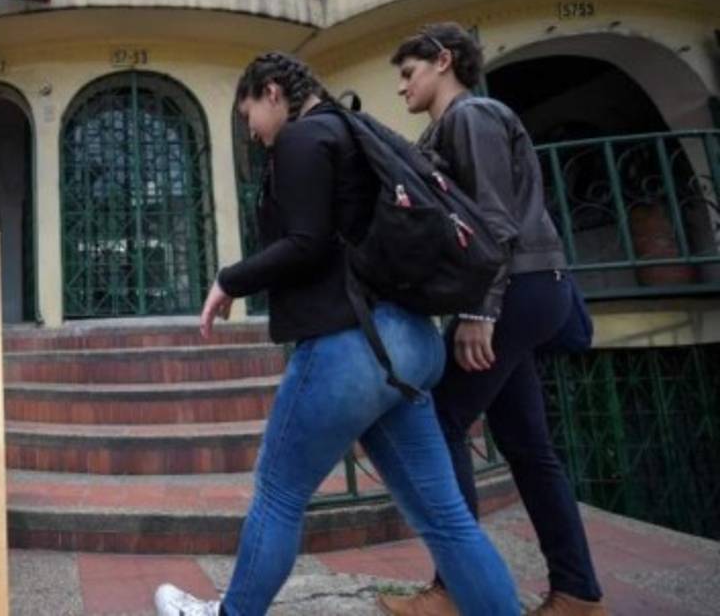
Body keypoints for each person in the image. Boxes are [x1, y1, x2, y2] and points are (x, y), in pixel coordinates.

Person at [152, 52, 520, 616]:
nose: (250, 130)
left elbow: (307, 242)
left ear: (273, 93)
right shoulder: (354, 130)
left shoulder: (302, 140)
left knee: (278, 495)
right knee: (446, 519)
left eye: (248, 113)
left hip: (350, 346)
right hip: (411, 343)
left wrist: (228, 280)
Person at [378, 23, 606, 616]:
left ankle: (456, 591)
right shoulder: (453, 126)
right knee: (529, 446)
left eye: (409, 73)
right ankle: (577, 592)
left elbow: (494, 222)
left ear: (443, 61)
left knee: (443, 419)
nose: (403, 88)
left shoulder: (472, 118)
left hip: (515, 290)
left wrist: (481, 310)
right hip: (530, 288)